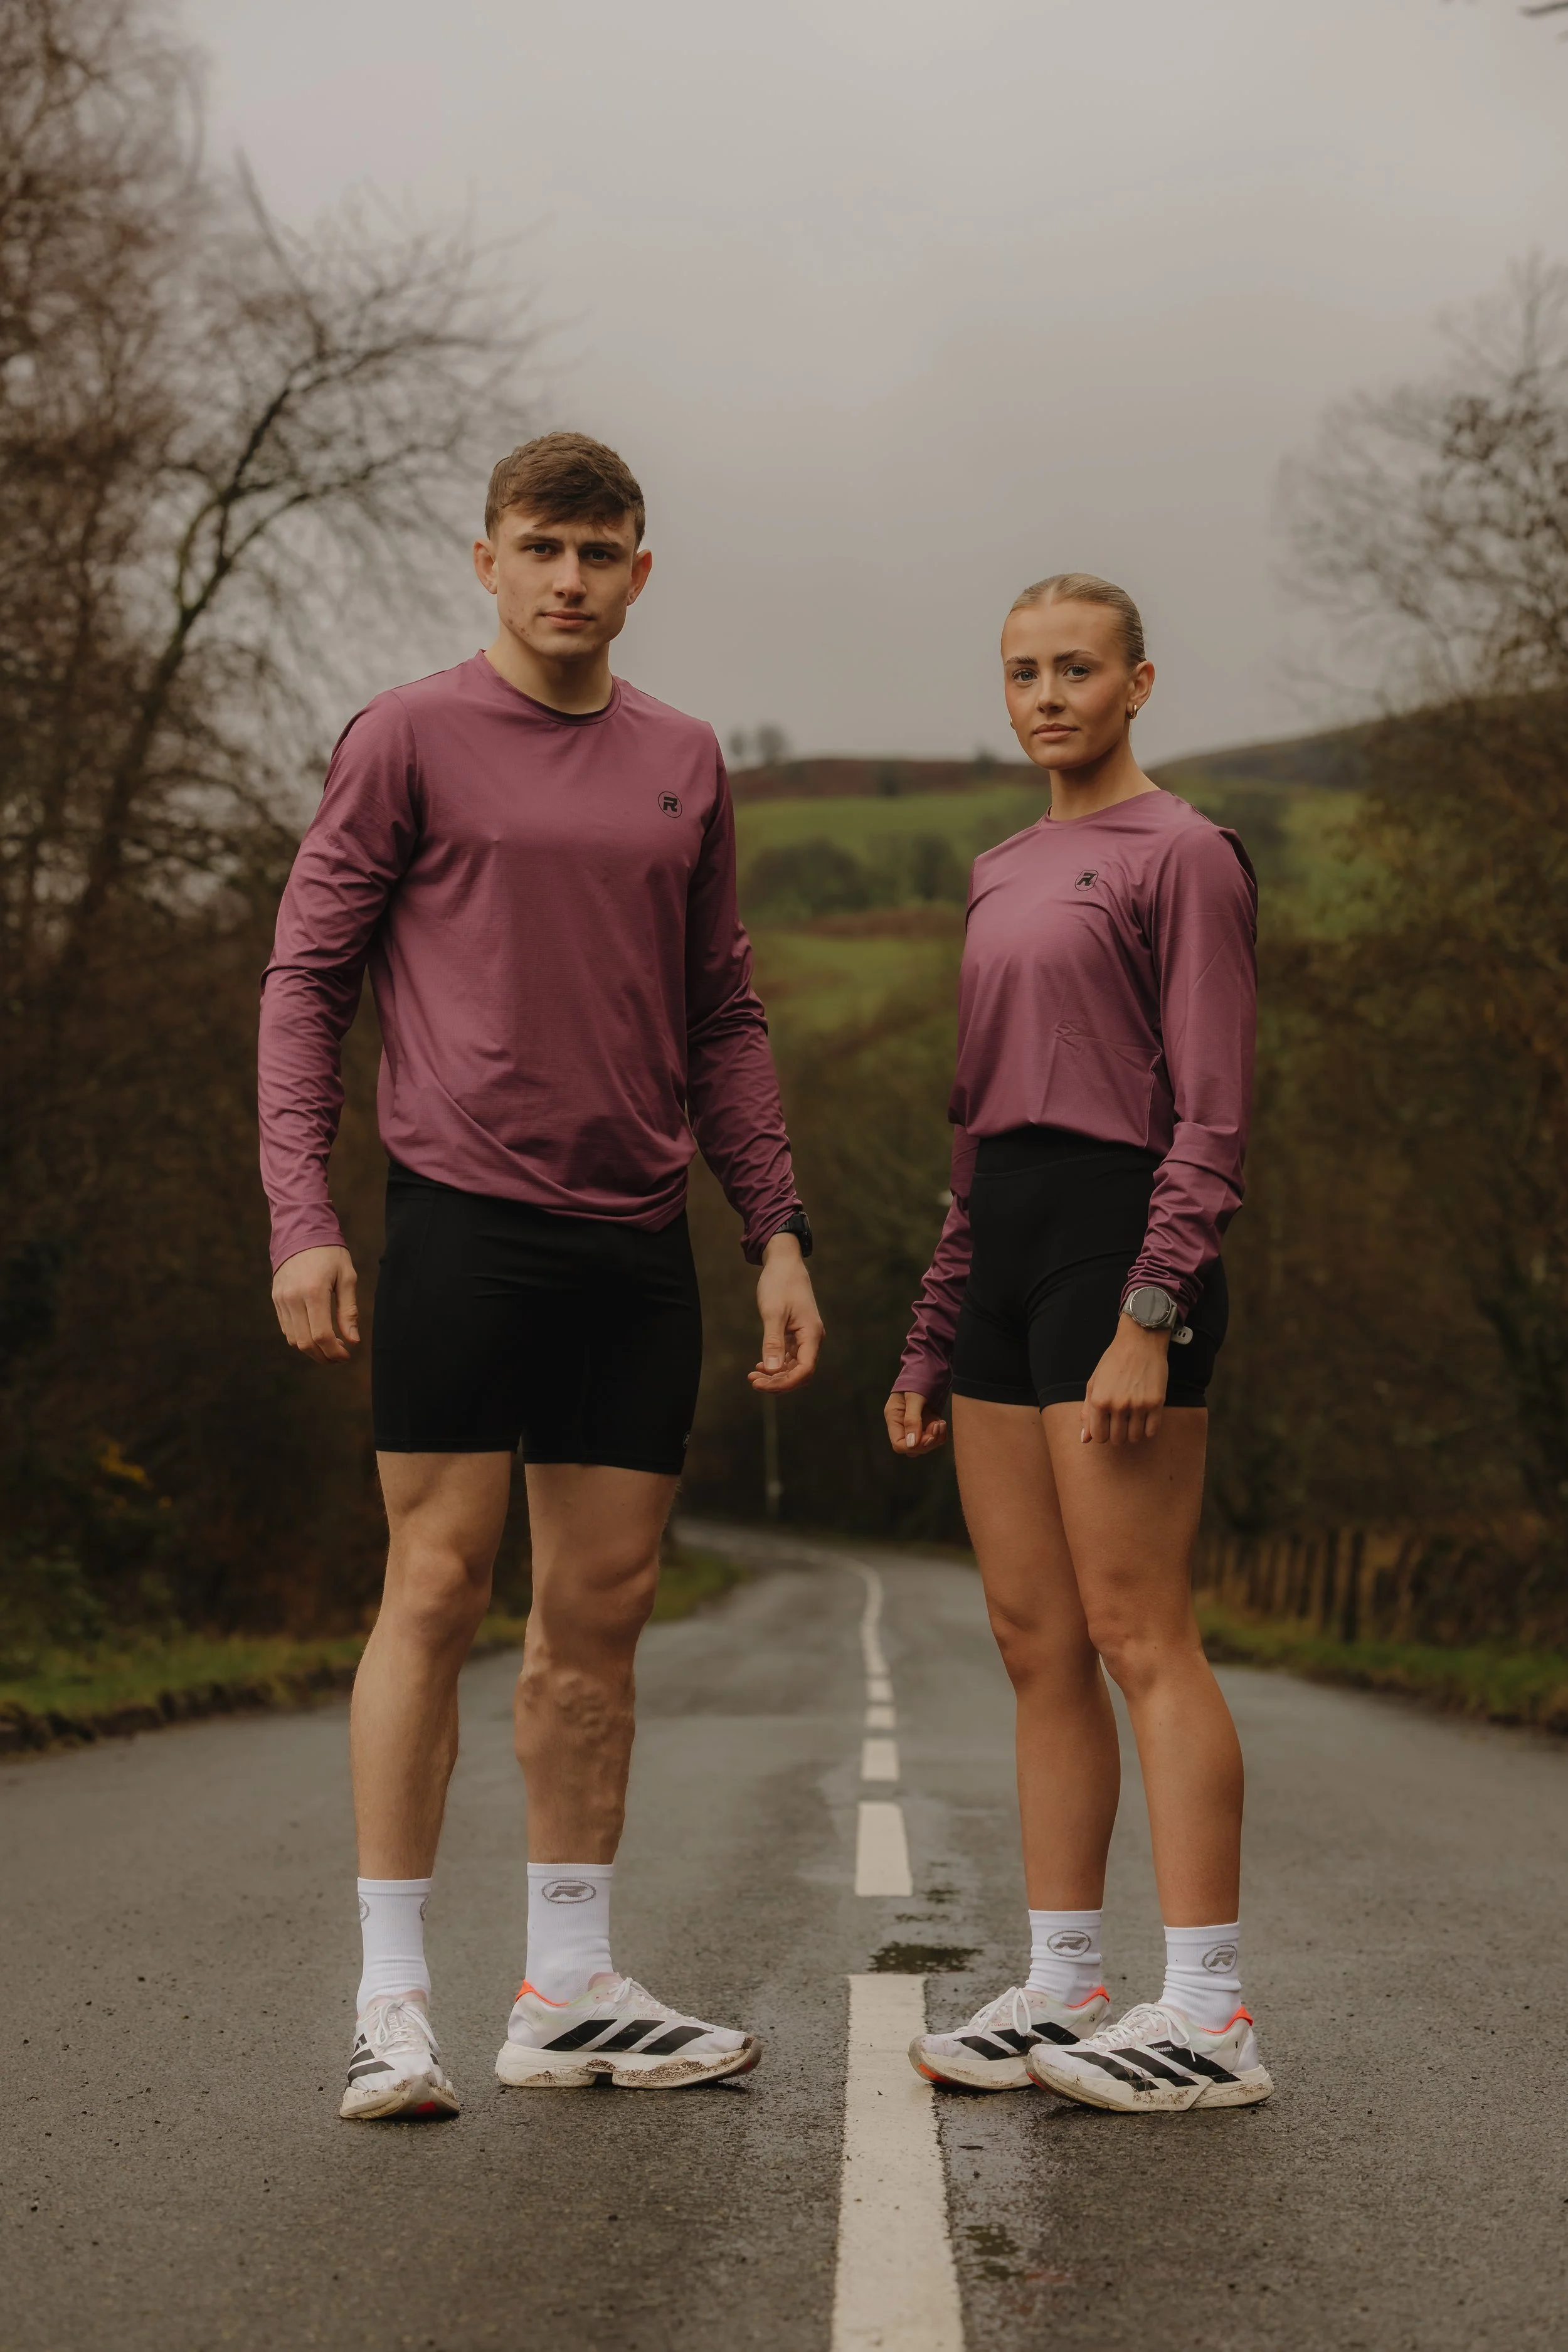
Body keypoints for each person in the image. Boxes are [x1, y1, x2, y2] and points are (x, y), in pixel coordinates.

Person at [259, 432, 822, 2119]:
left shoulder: (682, 757)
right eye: (540, 546)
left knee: (601, 1612)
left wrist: (773, 1227)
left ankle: (568, 1985)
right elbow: (307, 977)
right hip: (457, 1218)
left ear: (639, 570)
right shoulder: (408, 735)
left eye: (600, 550)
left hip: (633, 1234)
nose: (569, 578)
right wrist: (303, 1209)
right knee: (433, 1588)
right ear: (487, 560)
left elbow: (721, 1010)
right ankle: (388, 2003)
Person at [887, 573, 1269, 2114]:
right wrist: (927, 1337)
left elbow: (1214, 1113)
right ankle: (1060, 1985)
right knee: (1033, 1643)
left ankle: (1211, 2011)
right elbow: (975, 1132)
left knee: (1137, 1636)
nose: (1047, 694)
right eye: (1022, 671)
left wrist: (1151, 1312)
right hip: (1005, 1253)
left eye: (1076, 669)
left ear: (1137, 683)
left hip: (1124, 1248)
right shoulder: (997, 871)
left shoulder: (1185, 856)